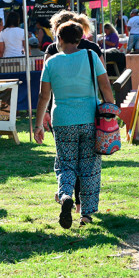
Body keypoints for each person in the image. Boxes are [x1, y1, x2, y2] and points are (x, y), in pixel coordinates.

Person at [35, 21, 114, 229]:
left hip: (62, 121)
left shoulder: (51, 62)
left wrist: (38, 125)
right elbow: (105, 86)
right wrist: (111, 111)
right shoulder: (91, 57)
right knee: (90, 167)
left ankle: (65, 196)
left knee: (66, 163)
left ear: (59, 39)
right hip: (89, 118)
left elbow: (44, 96)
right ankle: (86, 215)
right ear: (80, 39)